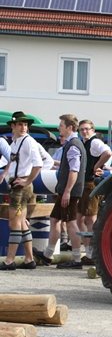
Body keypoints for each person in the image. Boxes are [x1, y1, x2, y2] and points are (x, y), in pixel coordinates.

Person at [34, 114, 86, 269]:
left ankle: (76, 259)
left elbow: (74, 171)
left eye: (61, 125)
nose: (59, 128)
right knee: (55, 219)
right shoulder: (74, 144)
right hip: (66, 190)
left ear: (69, 127)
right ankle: (48, 255)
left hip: (69, 191)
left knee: (70, 223)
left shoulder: (73, 145)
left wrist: (68, 191)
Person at [0, 111, 43, 270]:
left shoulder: (28, 141)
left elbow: (38, 164)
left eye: (25, 124)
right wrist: (6, 173)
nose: (24, 127)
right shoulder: (15, 142)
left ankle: (10, 260)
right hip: (18, 185)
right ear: (13, 126)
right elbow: (9, 162)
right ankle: (29, 259)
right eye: (20, 124)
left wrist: (27, 180)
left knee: (15, 223)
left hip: (21, 187)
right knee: (23, 223)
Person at [76, 119, 112, 266]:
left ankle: (92, 252)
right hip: (86, 183)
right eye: (82, 129)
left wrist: (97, 166)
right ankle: (89, 251)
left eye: (87, 129)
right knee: (82, 219)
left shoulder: (94, 142)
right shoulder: (86, 142)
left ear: (92, 130)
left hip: (91, 183)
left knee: (89, 218)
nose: (84, 131)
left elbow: (108, 152)